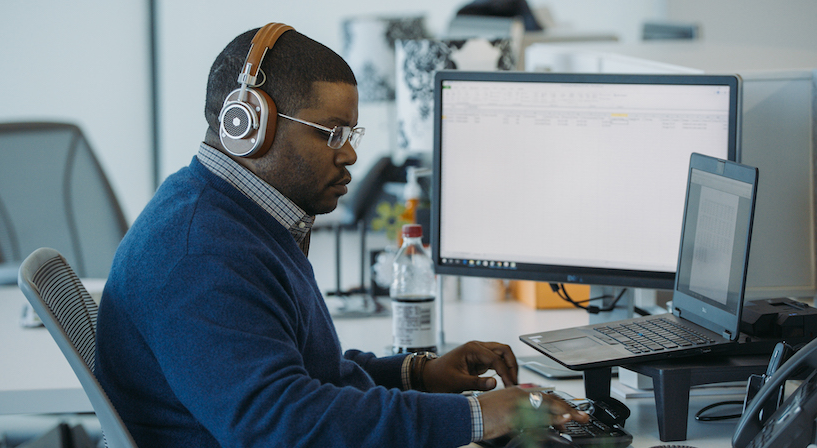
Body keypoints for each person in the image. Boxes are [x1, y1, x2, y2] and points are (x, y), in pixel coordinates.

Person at [94, 23, 586, 447]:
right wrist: (482, 415)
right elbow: (287, 427)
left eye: (351, 134)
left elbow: (301, 375)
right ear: (249, 126)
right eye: (331, 132)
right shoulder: (201, 255)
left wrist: (418, 373)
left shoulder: (232, 217)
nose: (349, 154)